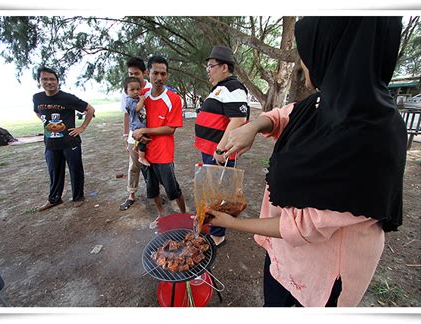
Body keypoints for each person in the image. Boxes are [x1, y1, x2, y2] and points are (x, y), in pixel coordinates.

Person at [206, 17, 407, 307]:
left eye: (308, 53)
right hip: (283, 256)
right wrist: (252, 127)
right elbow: (285, 114)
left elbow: (302, 226)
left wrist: (230, 223)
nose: (302, 64)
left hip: (320, 278)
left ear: (335, 52)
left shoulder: (374, 135)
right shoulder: (325, 102)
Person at [194, 45, 249, 246]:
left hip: (218, 153)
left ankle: (218, 235)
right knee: (211, 191)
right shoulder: (220, 88)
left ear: (224, 67)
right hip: (209, 151)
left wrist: (220, 149)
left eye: (211, 66)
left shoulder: (233, 87)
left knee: (219, 194)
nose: (208, 70)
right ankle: (212, 225)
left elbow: (237, 119)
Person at [132, 55, 186, 229]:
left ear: (167, 75)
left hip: (163, 154)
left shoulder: (174, 99)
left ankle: (184, 215)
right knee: (152, 189)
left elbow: (170, 128)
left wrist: (144, 131)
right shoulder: (143, 96)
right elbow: (133, 116)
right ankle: (161, 215)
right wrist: (134, 134)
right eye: (155, 73)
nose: (159, 78)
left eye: (163, 74)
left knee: (173, 189)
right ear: (148, 73)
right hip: (145, 154)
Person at [33, 66, 95, 211]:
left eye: (52, 79)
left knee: (75, 170)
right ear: (40, 81)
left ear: (58, 81)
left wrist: (82, 127)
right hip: (50, 143)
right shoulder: (37, 98)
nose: (49, 82)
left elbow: (90, 110)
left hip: (70, 142)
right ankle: (54, 199)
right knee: (54, 172)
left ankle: (78, 197)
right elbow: (37, 111)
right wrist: (45, 122)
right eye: (45, 79)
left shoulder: (67, 98)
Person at [119, 57, 153, 211]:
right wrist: (126, 137)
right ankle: (131, 195)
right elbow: (126, 115)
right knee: (134, 166)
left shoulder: (152, 88)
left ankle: (154, 193)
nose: (133, 76)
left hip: (151, 135)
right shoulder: (127, 91)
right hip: (134, 135)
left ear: (145, 73)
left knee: (152, 166)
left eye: (136, 73)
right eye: (130, 73)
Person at [122, 76, 150, 166]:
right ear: (126, 91)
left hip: (140, 123)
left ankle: (136, 147)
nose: (136, 91)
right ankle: (141, 157)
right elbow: (137, 108)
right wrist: (142, 100)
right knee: (144, 141)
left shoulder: (135, 99)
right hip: (137, 125)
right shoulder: (130, 101)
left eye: (138, 89)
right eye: (132, 89)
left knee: (145, 139)